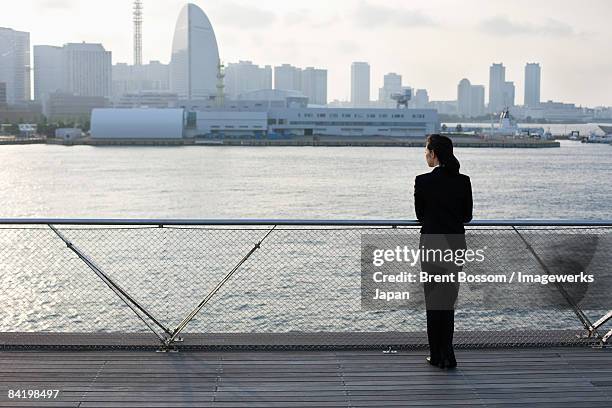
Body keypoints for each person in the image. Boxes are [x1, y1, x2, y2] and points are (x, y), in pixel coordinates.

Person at [414, 134, 473, 369]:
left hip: (431, 243)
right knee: (448, 300)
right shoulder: (464, 180)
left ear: (434, 153)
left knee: (433, 301)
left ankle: (436, 354)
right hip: (455, 243)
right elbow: (467, 216)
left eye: (427, 151)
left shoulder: (422, 181)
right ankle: (449, 353)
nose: (426, 155)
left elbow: (420, 216)